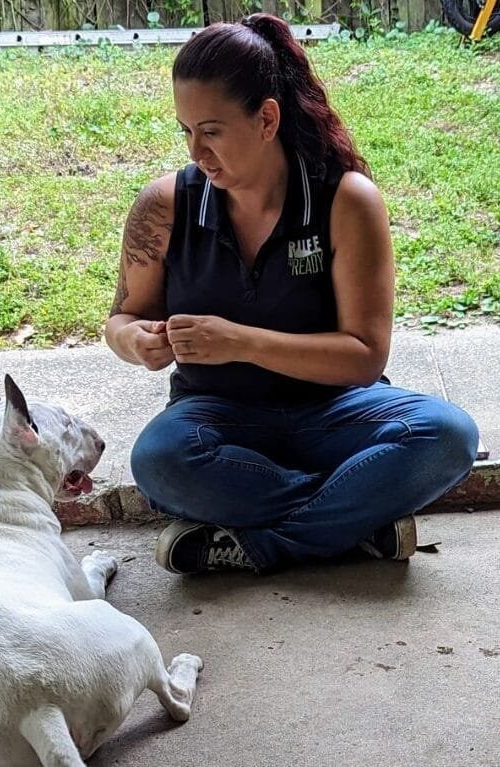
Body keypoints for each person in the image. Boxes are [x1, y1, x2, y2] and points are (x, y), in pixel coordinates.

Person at [104, 14, 479, 576]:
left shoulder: (346, 201)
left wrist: (240, 342)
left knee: (449, 436)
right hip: (217, 420)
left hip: (335, 413)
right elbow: (121, 319)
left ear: (267, 119)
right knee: (162, 461)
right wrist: (140, 341)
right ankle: (353, 520)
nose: (196, 152)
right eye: (185, 131)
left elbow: (365, 355)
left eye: (212, 130)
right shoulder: (165, 206)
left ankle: (259, 543)